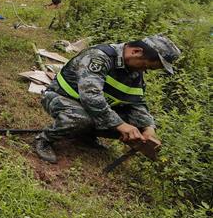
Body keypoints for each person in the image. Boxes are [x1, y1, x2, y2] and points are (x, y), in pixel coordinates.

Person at [33, 35, 181, 164]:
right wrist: (120, 125)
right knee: (82, 118)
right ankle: (44, 139)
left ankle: (85, 136)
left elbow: (136, 102)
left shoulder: (134, 72)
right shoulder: (99, 57)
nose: (145, 71)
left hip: (90, 107)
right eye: (146, 66)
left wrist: (148, 127)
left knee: (137, 125)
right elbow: (90, 96)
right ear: (136, 52)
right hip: (61, 97)